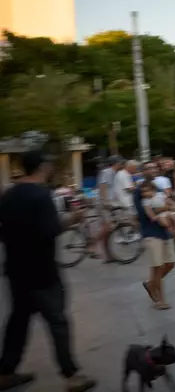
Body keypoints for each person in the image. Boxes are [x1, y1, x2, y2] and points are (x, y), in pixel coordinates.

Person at [0, 150, 96, 392]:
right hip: (42, 273)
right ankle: (72, 376)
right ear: (42, 166)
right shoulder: (42, 196)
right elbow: (49, 230)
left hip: (16, 270)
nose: (52, 167)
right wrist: (73, 219)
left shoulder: (9, 194)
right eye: (50, 163)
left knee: (18, 322)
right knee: (58, 322)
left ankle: (5, 372)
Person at [135, 161, 175, 310]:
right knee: (157, 267)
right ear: (142, 172)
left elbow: (169, 202)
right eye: (148, 168)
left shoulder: (157, 187)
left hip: (165, 232)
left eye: (154, 167)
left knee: (171, 263)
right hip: (152, 233)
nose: (152, 170)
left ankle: (151, 284)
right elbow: (144, 213)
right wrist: (165, 208)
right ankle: (160, 299)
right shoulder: (140, 190)